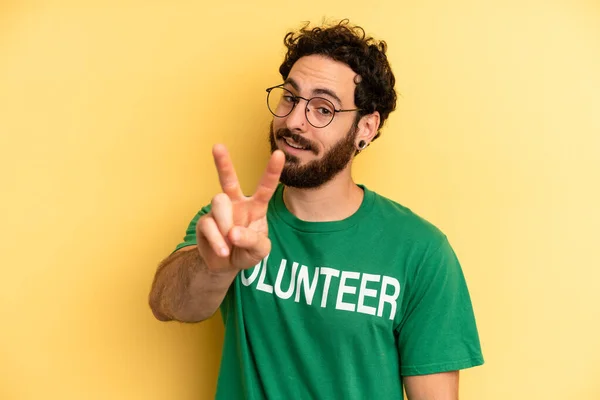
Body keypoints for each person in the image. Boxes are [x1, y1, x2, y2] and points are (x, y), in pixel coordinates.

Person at [149, 19, 484, 400]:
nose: (293, 122)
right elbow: (167, 304)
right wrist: (215, 266)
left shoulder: (421, 252)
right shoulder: (233, 223)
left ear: (366, 128)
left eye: (323, 109)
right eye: (290, 98)